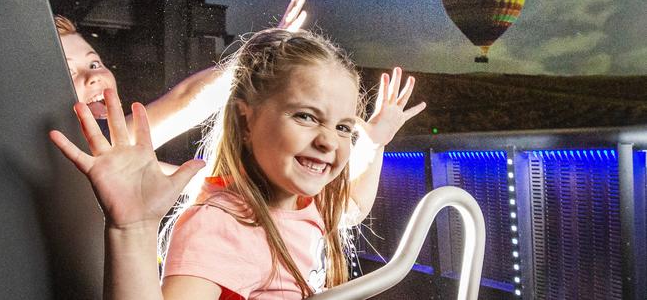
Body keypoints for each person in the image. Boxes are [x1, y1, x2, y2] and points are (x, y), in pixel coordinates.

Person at [49, 28, 426, 299]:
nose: (329, 140)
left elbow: (353, 210)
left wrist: (373, 143)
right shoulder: (223, 223)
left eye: (343, 126)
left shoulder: (302, 201)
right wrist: (132, 228)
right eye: (306, 117)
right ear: (247, 121)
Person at [55, 0, 308, 158]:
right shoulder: (83, 145)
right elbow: (184, 102)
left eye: (95, 64)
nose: (94, 77)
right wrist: (257, 55)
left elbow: (194, 183)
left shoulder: (118, 160)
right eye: (69, 73)